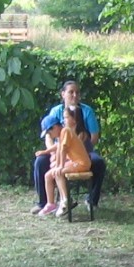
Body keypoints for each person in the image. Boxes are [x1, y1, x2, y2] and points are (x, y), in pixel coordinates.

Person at [32, 80, 105, 213]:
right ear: (63, 94)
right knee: (40, 161)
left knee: (98, 162)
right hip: (58, 149)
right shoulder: (56, 111)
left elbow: (94, 137)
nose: (75, 95)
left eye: (77, 92)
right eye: (71, 92)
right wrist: (52, 153)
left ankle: (91, 200)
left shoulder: (87, 111)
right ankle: (44, 202)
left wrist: (76, 153)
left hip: (82, 150)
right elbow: (49, 135)